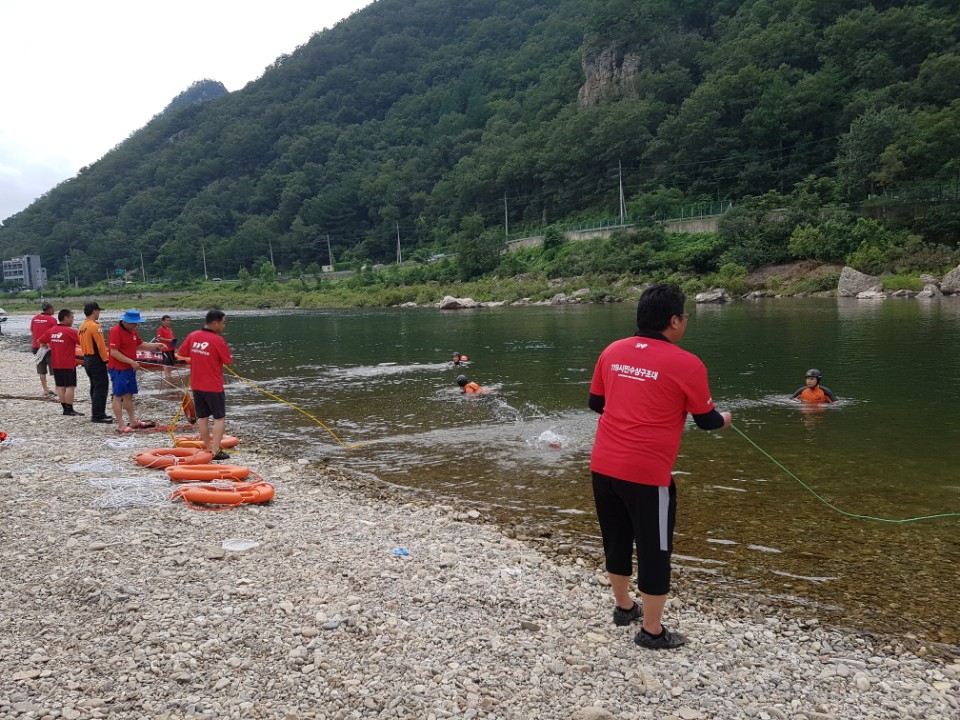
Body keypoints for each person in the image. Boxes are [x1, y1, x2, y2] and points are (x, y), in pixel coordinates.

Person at [588, 284, 732, 651]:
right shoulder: (687, 363)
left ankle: (624, 608)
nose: (686, 320)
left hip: (603, 464)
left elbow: (596, 403)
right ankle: (652, 631)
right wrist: (726, 419)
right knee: (656, 550)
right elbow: (707, 421)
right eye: (685, 315)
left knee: (616, 538)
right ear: (674, 320)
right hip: (648, 475)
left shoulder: (612, 351)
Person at [177, 310, 233, 460]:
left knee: (202, 417)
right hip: (213, 386)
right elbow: (228, 360)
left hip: (197, 385)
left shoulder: (193, 335)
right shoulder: (218, 340)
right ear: (215, 323)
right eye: (223, 323)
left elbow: (181, 353)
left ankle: (208, 449)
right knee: (219, 418)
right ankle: (215, 451)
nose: (224, 326)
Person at [108, 309, 165, 432]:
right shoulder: (115, 331)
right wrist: (131, 361)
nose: (136, 325)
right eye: (134, 323)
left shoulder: (133, 331)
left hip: (129, 368)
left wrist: (155, 345)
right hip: (118, 368)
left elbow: (139, 344)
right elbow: (114, 352)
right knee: (118, 396)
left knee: (129, 395)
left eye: (137, 323)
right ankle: (121, 425)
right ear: (126, 321)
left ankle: (133, 421)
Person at [37, 309, 83, 416]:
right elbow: (83, 342)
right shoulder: (71, 332)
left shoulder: (51, 331)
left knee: (60, 386)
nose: (72, 320)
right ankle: (70, 409)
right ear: (66, 318)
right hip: (68, 363)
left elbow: (40, 340)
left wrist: (47, 345)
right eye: (72, 318)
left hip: (56, 363)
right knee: (70, 386)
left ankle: (65, 409)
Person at [77, 302, 113, 423]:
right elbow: (101, 346)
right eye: (98, 311)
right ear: (94, 311)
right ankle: (98, 415)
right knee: (101, 387)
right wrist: (106, 360)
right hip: (96, 359)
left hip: (86, 359)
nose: (99, 313)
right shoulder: (95, 326)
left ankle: (97, 412)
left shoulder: (82, 326)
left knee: (94, 386)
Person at [30, 301, 58, 397]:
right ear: (49, 309)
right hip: (48, 347)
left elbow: (32, 331)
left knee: (41, 370)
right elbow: (55, 334)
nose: (54, 311)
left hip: (36, 347)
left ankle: (45, 389)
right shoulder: (52, 320)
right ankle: (57, 389)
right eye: (53, 309)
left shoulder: (34, 318)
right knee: (55, 369)